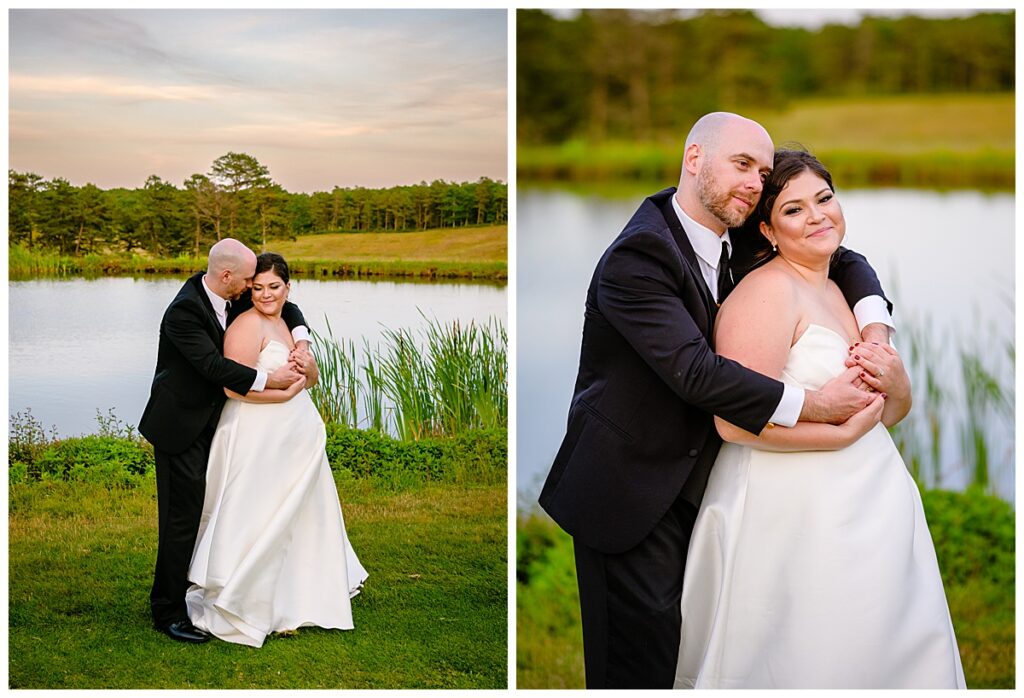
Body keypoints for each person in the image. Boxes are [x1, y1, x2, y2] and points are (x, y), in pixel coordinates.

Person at [538, 112, 895, 689]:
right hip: (630, 488)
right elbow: (697, 374)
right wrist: (813, 403)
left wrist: (875, 330)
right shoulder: (638, 258)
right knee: (640, 664)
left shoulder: (740, 236)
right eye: (743, 165)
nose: (756, 182)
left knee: (701, 649)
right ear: (695, 158)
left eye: (762, 170)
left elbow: (840, 255)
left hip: (710, 486)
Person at [674, 149, 965, 688]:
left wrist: (899, 388)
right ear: (767, 229)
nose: (817, 216)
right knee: (805, 648)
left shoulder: (843, 289)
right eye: (793, 210)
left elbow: (883, 414)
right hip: (793, 512)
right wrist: (836, 438)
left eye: (824, 199)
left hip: (876, 503)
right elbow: (733, 425)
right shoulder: (764, 296)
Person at [185, 252, 367, 647]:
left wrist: (306, 367)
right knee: (256, 510)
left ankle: (297, 593)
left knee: (298, 514)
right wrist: (284, 393)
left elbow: (312, 378)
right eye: (258, 287)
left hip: (295, 438)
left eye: (274, 287)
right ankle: (242, 595)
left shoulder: (290, 322)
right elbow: (233, 388)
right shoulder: (245, 325)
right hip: (257, 434)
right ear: (248, 288)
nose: (266, 294)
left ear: (288, 288)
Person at [139, 238, 315, 643]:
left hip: (216, 424)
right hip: (179, 427)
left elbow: (287, 306)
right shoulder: (183, 311)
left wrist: (302, 340)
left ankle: (202, 583)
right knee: (180, 519)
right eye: (249, 281)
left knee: (211, 510)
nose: (254, 288)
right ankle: (167, 612)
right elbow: (214, 366)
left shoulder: (231, 297)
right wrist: (274, 381)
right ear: (227, 276)